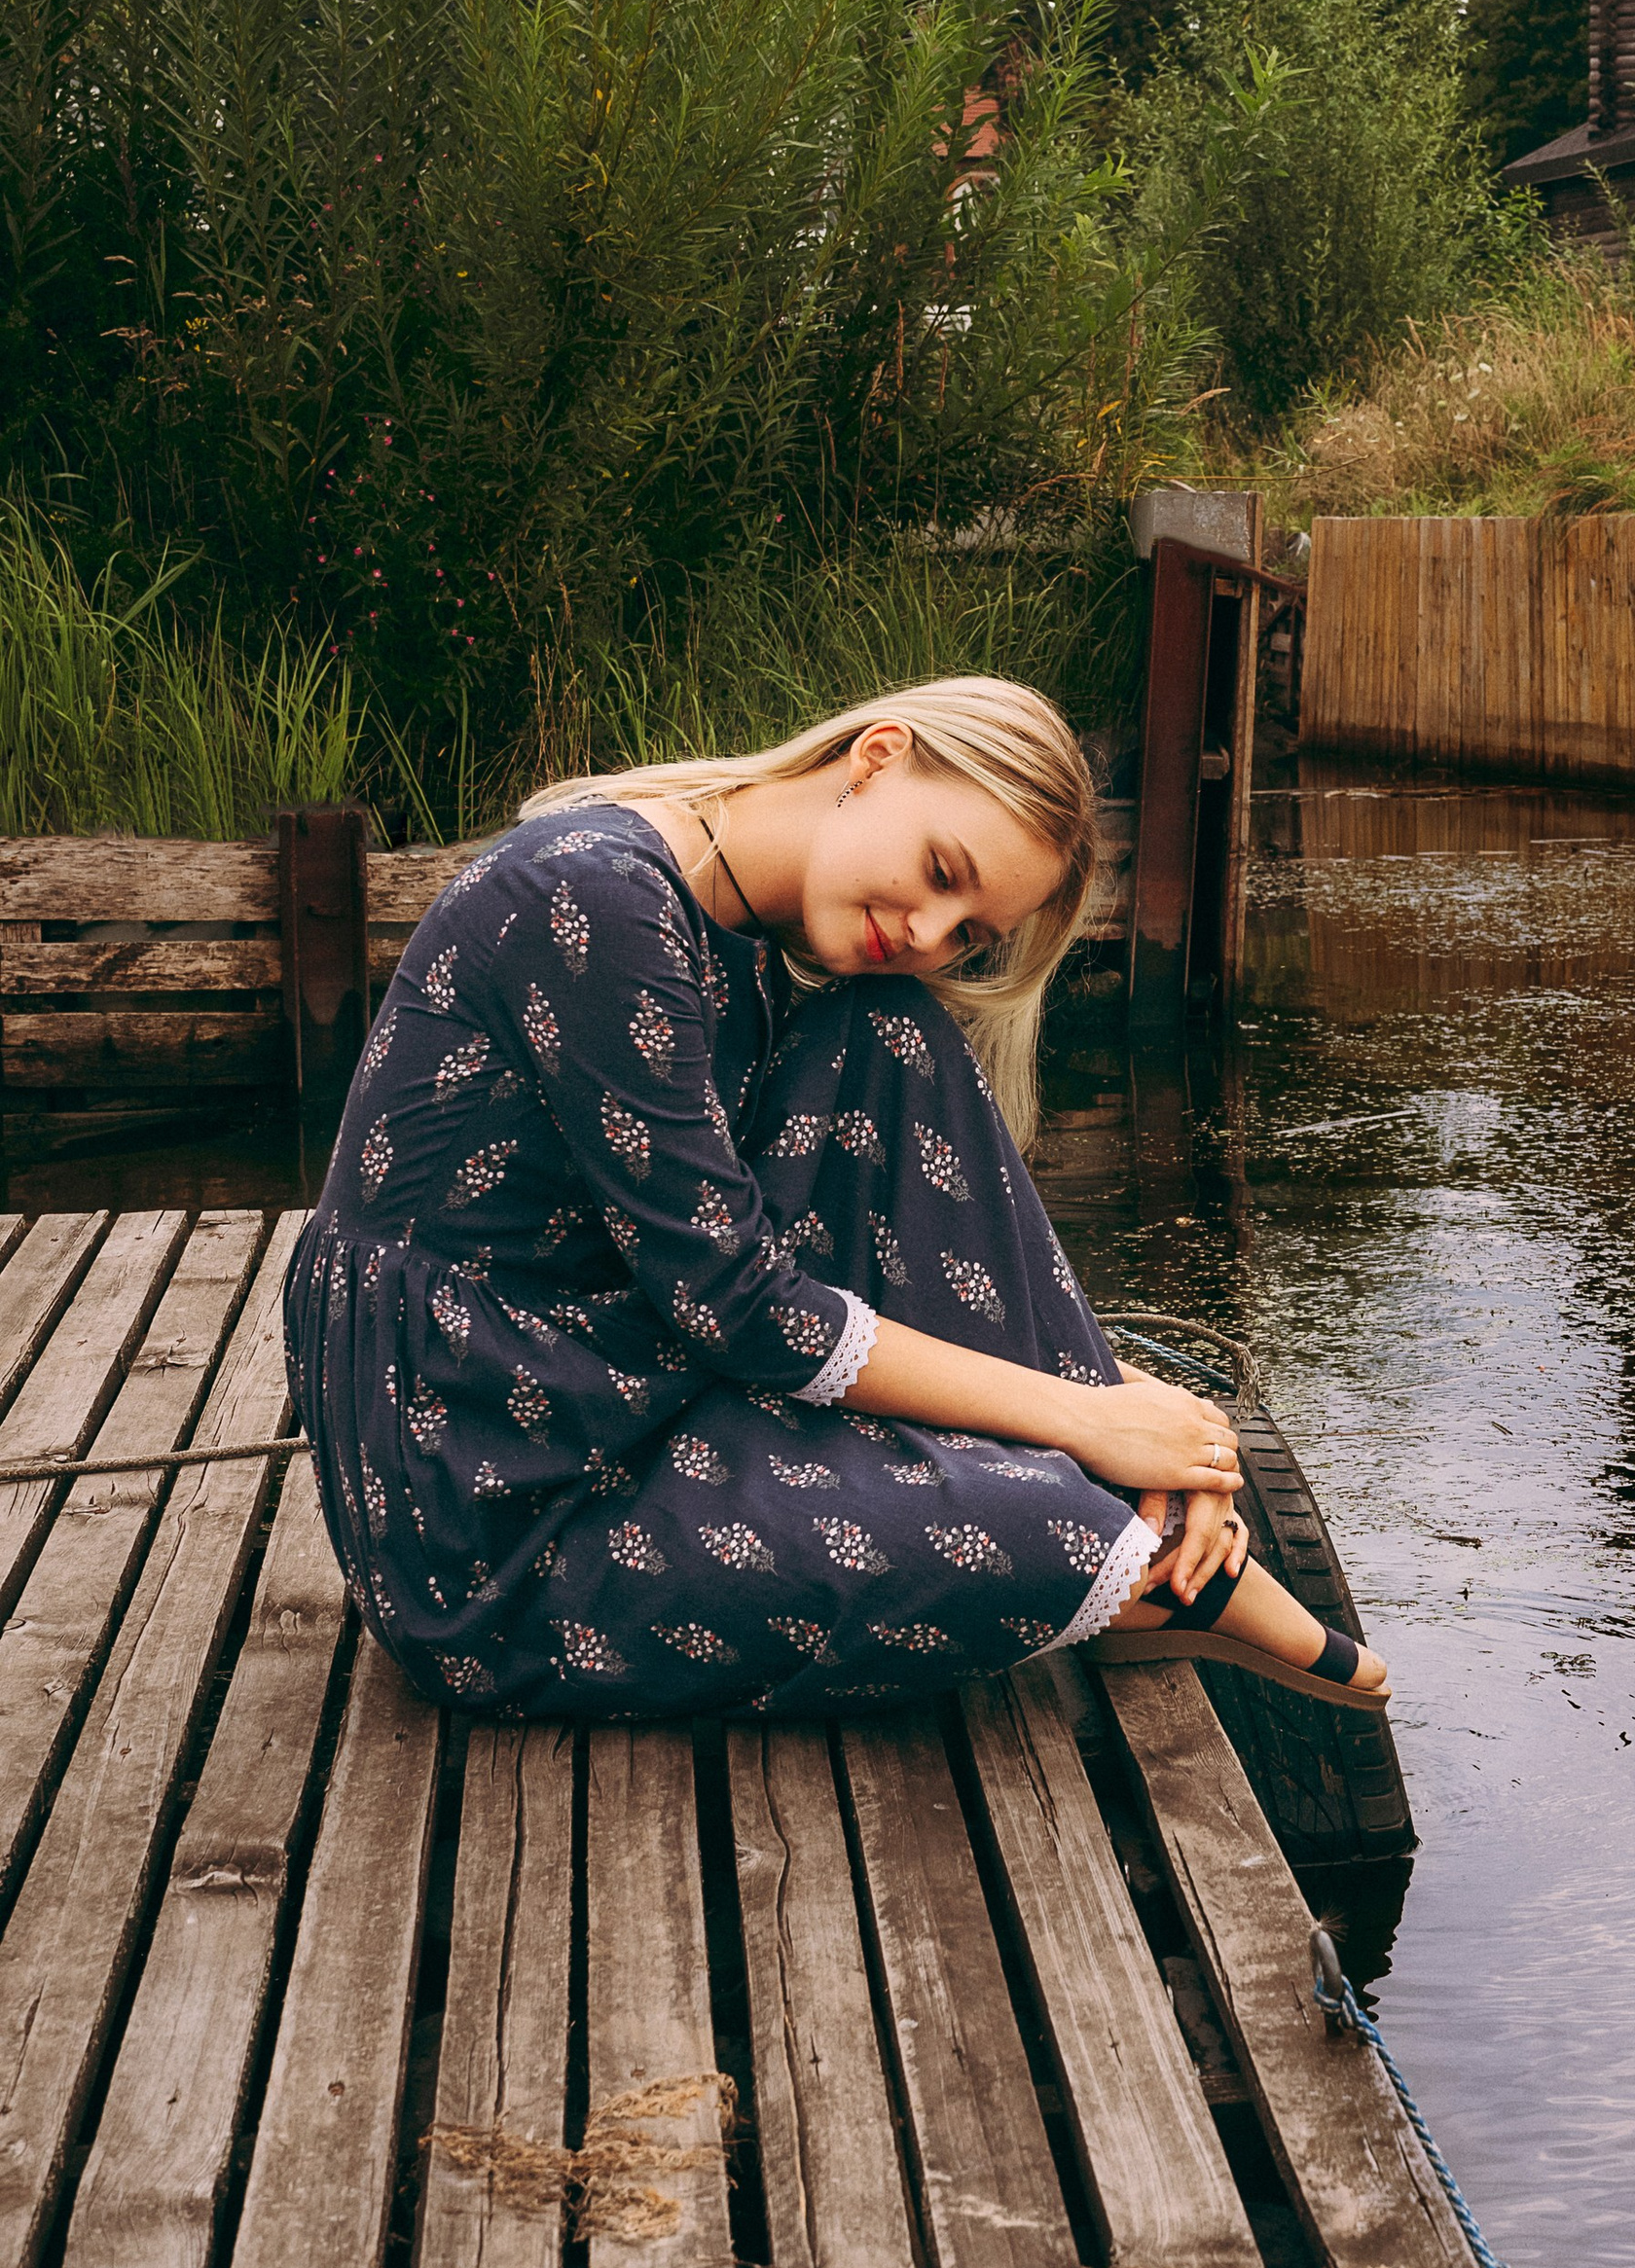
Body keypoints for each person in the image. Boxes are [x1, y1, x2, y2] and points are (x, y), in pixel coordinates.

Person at [280, 675, 1388, 1720]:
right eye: (943, 871)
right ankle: (1124, 1523)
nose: (924, 933)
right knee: (1045, 1527)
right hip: (493, 1497)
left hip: (621, 1378)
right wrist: (1085, 1419)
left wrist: (1108, 1393)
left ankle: (1137, 1482)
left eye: (967, 932)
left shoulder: (743, 936)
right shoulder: (593, 895)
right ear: (878, 757)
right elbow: (737, 1302)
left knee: (889, 1031)